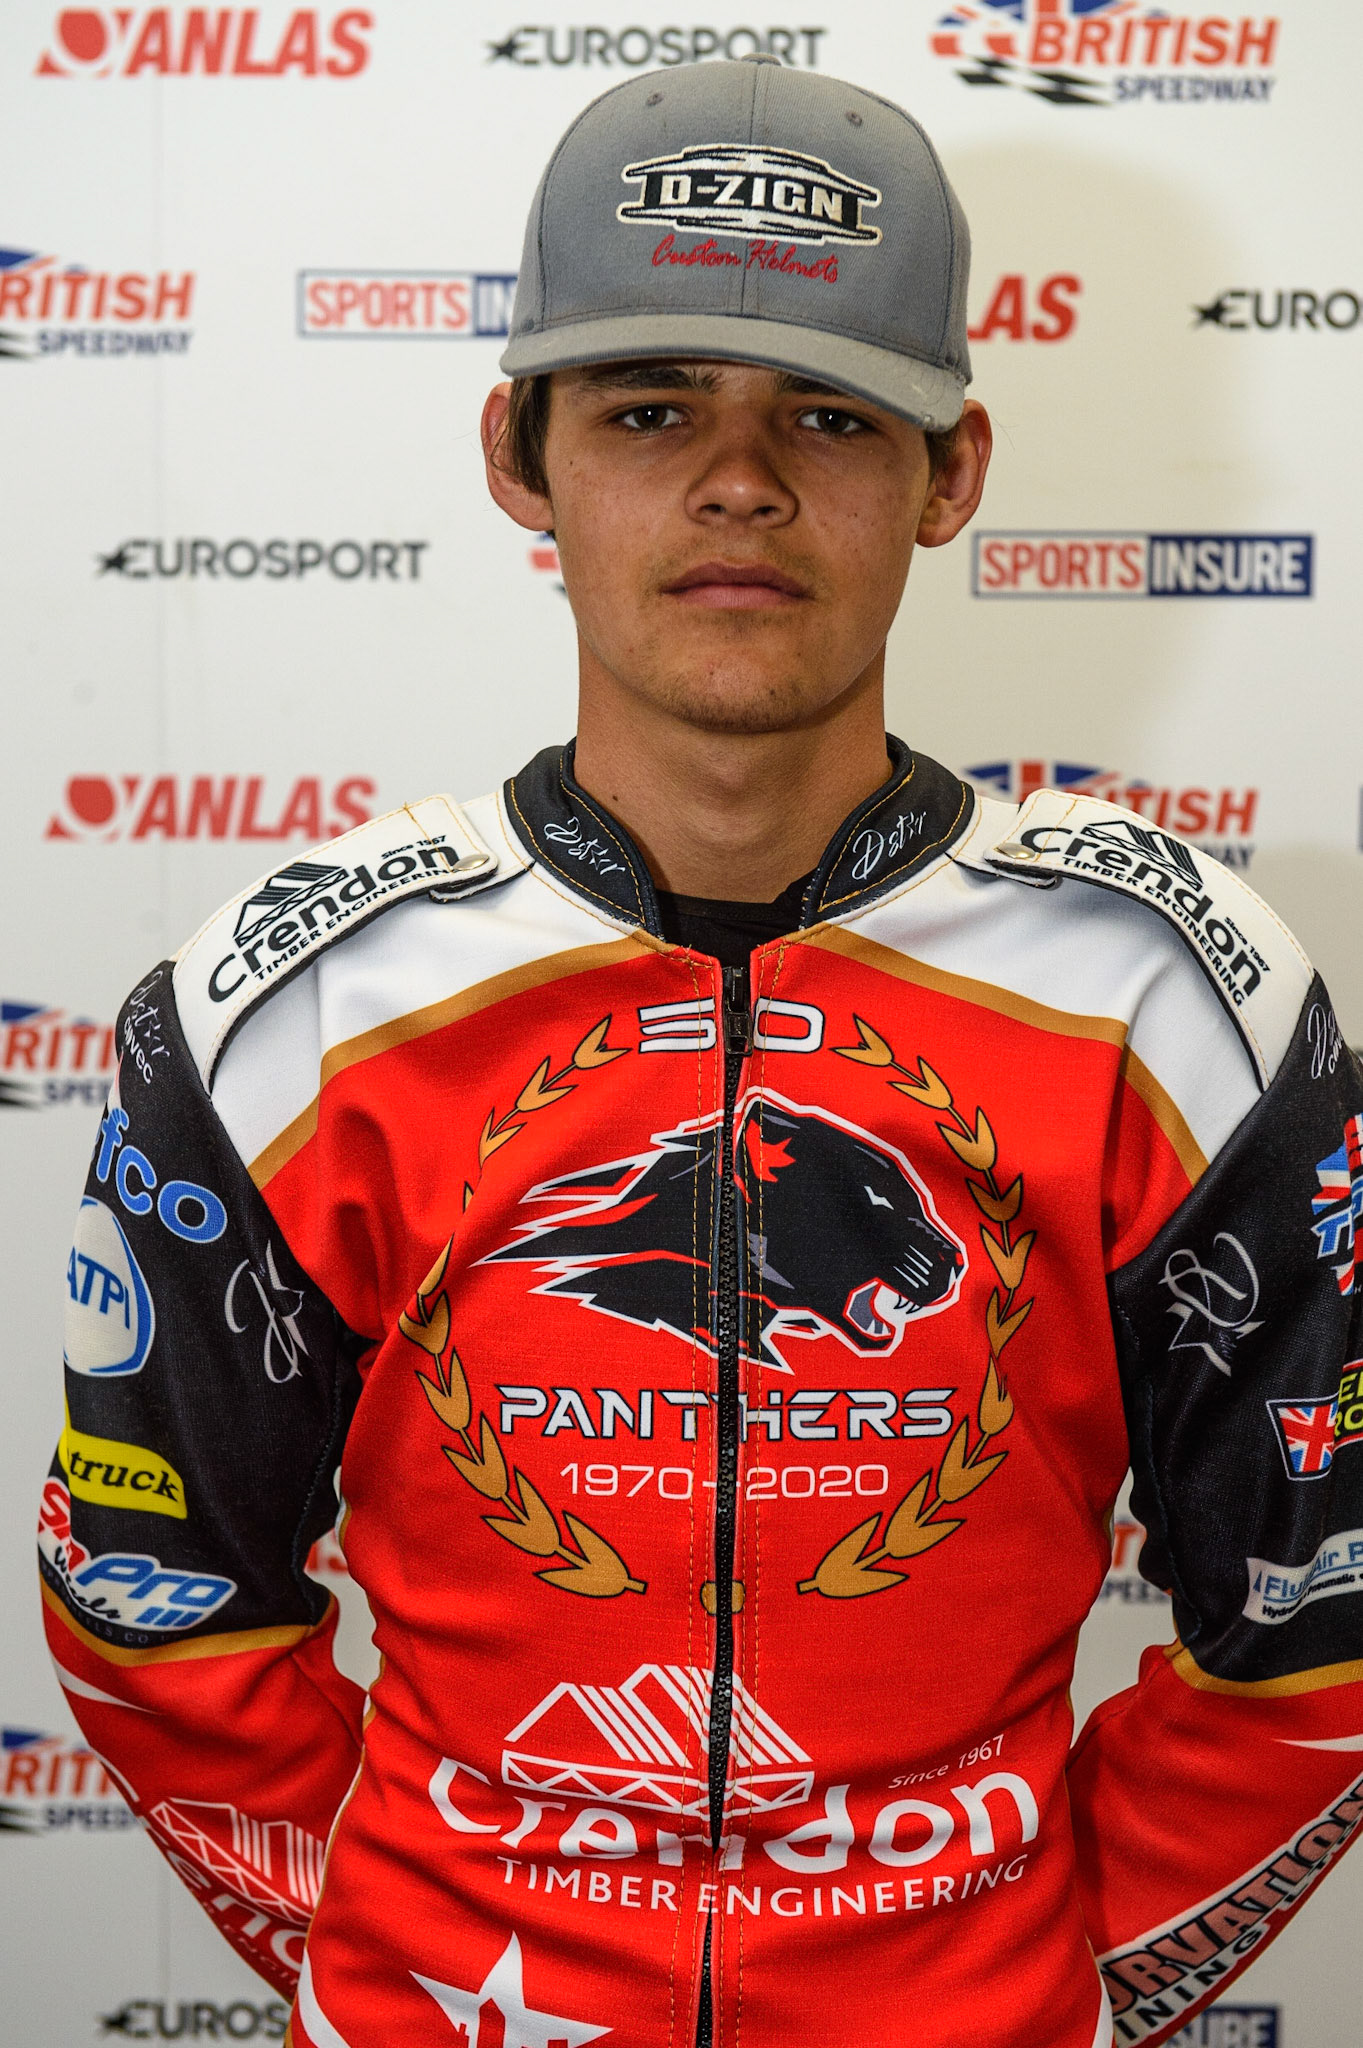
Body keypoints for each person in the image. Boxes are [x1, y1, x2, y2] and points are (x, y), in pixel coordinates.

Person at [40, 55, 1363, 2048]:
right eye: (653, 410)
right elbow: (153, 1597)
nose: (739, 480)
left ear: (953, 472)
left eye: (830, 414)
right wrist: (399, 1961)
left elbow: (1317, 1634)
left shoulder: (1174, 998)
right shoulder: (292, 1005)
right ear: (519, 451)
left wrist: (1033, 1988)